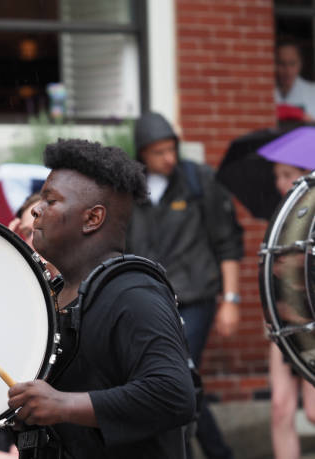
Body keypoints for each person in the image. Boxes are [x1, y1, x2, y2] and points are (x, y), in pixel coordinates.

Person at [7, 138, 196, 458]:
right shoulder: (53, 295)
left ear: (92, 218)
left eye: (50, 201)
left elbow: (174, 394)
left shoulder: (134, 293)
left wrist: (64, 405)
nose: (36, 209)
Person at [126, 112, 244, 459]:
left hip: (195, 297)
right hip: (149, 301)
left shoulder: (199, 180)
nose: (169, 158)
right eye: (159, 152)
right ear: (142, 154)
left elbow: (228, 241)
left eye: (172, 149)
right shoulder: (130, 189)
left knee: (176, 371)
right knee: (173, 379)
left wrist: (231, 299)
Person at [269, 162, 315, 459]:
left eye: (287, 175)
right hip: (283, 321)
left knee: (313, 413)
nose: (280, 183)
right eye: (277, 176)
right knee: (280, 407)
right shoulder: (281, 217)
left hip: (312, 322)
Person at [275, 39, 315, 121]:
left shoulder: (312, 92)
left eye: (292, 63)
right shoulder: (263, 94)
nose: (288, 71)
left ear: (300, 64)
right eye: (282, 64)